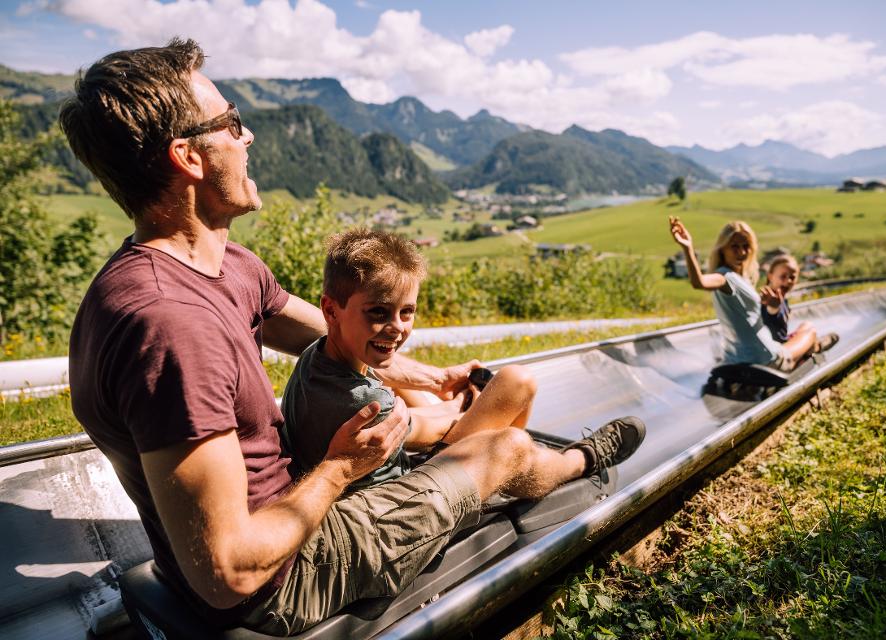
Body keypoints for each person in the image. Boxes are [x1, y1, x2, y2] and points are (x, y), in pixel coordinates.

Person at [61, 38, 645, 636]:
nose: (248, 137)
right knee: (508, 451)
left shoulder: (223, 265)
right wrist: (341, 467)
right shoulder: (172, 324)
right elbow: (228, 571)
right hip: (285, 576)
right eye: (232, 123)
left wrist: (424, 377)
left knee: (438, 419)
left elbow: (329, 330)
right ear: (187, 156)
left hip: (291, 508)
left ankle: (454, 465)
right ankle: (580, 460)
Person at [281, 228, 540, 488]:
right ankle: (509, 474)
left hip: (365, 468)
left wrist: (452, 395)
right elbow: (435, 430)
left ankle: (508, 467)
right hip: (413, 493)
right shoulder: (365, 403)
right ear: (330, 310)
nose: (397, 327)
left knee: (395, 388)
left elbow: (407, 413)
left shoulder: (314, 355)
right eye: (379, 312)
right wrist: (469, 405)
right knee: (517, 381)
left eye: (407, 312)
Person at [668, 216, 824, 371]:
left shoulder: (740, 279)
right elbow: (699, 282)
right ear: (722, 248)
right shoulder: (724, 277)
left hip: (737, 357)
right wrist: (688, 248)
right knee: (809, 330)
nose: (741, 252)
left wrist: (767, 307)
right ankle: (814, 347)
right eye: (734, 246)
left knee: (803, 329)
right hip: (765, 358)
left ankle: (812, 347)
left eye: (746, 246)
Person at [760, 254, 838, 352]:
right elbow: (769, 314)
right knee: (810, 330)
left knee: (806, 325)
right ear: (770, 276)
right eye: (783, 276)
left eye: (792, 277)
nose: (788, 281)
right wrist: (773, 307)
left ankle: (814, 343)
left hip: (783, 340)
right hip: (777, 348)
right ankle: (816, 346)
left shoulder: (784, 300)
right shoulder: (766, 299)